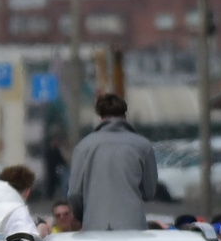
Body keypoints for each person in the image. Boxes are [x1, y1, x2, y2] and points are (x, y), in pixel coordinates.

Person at [64, 94, 157, 232]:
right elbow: (149, 192)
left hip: (95, 227)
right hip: (133, 226)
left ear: (100, 117)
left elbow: (74, 194)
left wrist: (83, 216)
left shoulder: (84, 147)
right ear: (125, 116)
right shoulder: (143, 146)